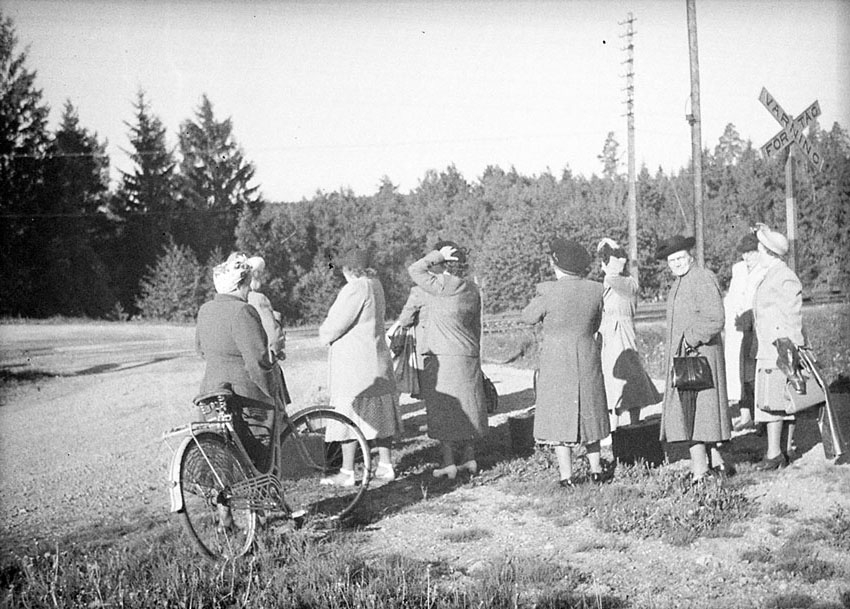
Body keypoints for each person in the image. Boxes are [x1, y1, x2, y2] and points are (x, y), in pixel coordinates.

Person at [521, 238, 610, 487]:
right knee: (590, 412)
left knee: (560, 415)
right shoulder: (595, 290)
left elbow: (528, 317)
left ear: (555, 264)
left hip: (557, 360)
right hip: (587, 355)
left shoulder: (549, 292)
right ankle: (596, 470)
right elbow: (596, 324)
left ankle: (566, 476)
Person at [318, 247, 402, 486]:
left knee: (348, 416)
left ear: (348, 269)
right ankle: (385, 465)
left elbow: (336, 324)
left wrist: (323, 333)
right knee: (381, 415)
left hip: (355, 364)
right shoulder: (375, 284)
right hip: (376, 359)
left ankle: (347, 471)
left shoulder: (354, 288)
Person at [195, 255, 284, 472]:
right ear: (239, 285)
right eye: (246, 285)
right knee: (256, 459)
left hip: (212, 389)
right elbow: (257, 360)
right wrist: (272, 389)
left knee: (221, 455)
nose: (248, 290)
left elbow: (200, 349)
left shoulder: (205, 309)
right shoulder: (243, 310)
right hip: (244, 395)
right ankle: (259, 488)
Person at [407, 240, 487, 479]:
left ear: (443, 263)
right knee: (469, 407)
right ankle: (470, 459)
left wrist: (436, 255)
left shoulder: (438, 285)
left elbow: (414, 269)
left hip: (441, 355)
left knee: (443, 411)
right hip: (468, 353)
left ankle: (449, 463)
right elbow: (476, 326)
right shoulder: (472, 288)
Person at [656, 234, 732, 483]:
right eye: (671, 261)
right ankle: (718, 463)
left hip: (698, 357)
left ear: (690, 257)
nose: (676, 264)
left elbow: (715, 318)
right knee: (700, 413)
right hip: (690, 357)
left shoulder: (701, 277)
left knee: (693, 413)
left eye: (680, 258)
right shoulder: (682, 281)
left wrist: (689, 340)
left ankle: (700, 472)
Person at [751, 224, 804, 470]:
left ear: (768, 252)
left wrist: (791, 349)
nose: (757, 254)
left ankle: (775, 453)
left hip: (779, 349)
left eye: (759, 250)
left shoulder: (783, 276)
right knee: (777, 399)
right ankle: (784, 450)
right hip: (770, 347)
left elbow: (793, 315)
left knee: (775, 400)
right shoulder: (772, 274)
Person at [596, 238, 660, 431]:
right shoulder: (631, 282)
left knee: (613, 377)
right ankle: (634, 421)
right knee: (632, 374)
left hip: (611, 331)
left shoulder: (610, 280)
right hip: (626, 329)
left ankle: (613, 426)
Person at [723, 233, 764, 432]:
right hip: (737, 329)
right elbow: (732, 298)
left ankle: (762, 418)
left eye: (752, 252)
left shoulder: (764, 270)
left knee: (755, 374)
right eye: (744, 253)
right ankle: (746, 413)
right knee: (740, 374)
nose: (747, 257)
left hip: (756, 329)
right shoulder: (738, 270)